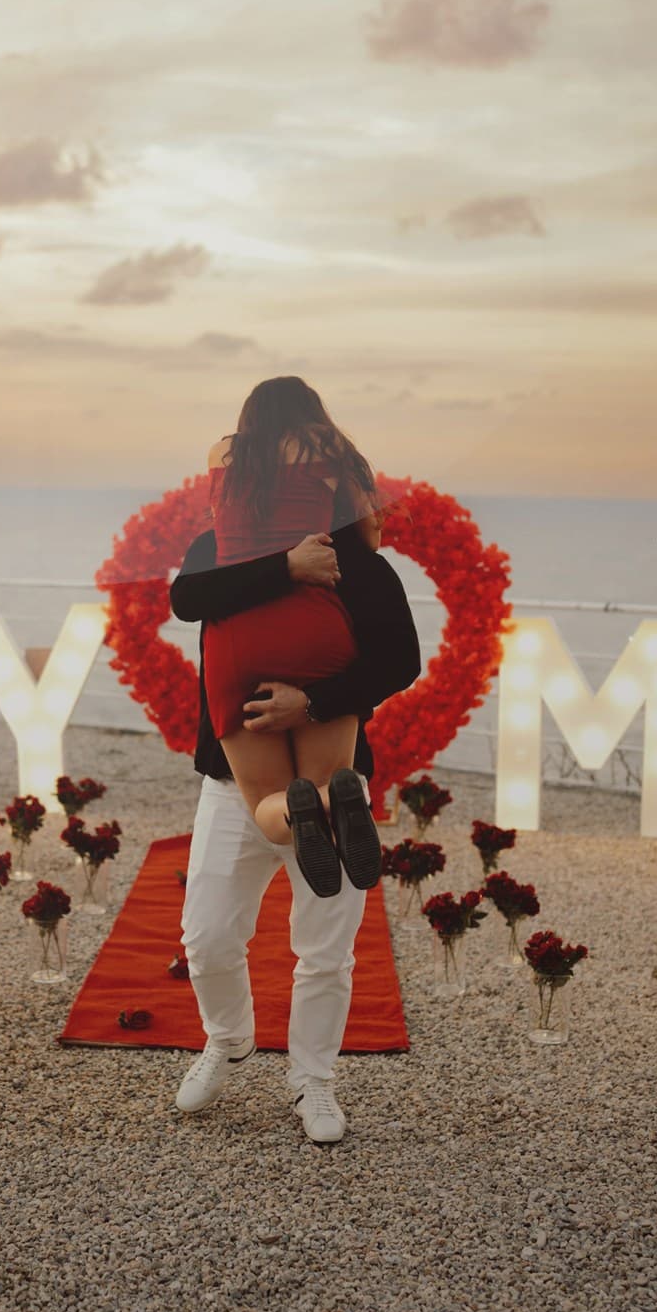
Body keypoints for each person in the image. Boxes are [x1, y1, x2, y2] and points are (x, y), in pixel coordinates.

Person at [169, 487, 421, 1143]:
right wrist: (284, 566)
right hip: (234, 783)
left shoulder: (348, 555)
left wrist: (310, 702)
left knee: (326, 950)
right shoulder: (215, 545)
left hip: (332, 783)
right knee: (208, 938)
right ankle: (228, 1039)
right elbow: (189, 598)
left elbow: (400, 659)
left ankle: (314, 1080)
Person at [202, 377, 389, 898]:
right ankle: (339, 796)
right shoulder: (330, 447)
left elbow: (221, 529)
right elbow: (368, 537)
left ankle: (297, 808)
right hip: (315, 624)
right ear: (311, 411)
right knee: (330, 776)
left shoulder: (223, 452)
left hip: (238, 636)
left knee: (265, 803)